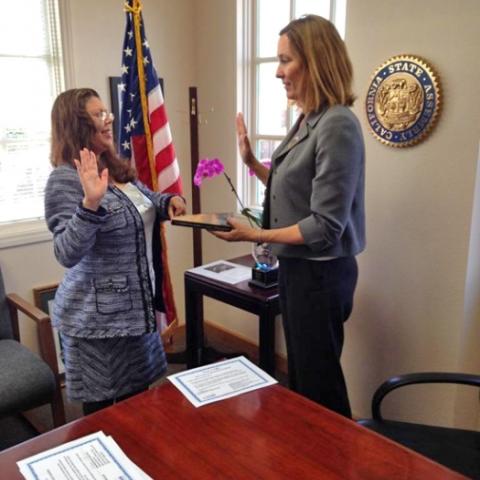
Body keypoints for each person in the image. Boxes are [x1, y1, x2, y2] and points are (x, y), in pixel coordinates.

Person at [213, 15, 365, 418]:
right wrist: (250, 162)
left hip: (322, 274)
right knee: (302, 379)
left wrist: (254, 235)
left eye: (286, 60)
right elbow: (294, 187)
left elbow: (325, 226)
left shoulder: (337, 124)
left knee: (320, 387)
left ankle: (336, 463)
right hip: (299, 270)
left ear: (315, 60)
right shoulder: (309, 119)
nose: (278, 71)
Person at [45, 88, 186, 415]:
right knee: (105, 417)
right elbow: (66, 252)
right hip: (97, 325)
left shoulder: (114, 167)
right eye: (98, 115)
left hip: (136, 314)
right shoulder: (64, 180)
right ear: (76, 124)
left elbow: (143, 201)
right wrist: (90, 204)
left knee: (137, 408)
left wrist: (167, 203)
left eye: (107, 112)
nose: (108, 120)